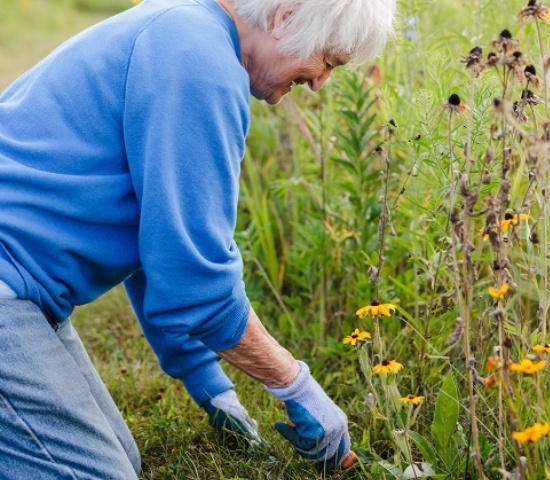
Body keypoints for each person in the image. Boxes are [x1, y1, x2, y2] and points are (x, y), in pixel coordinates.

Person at [0, 0, 396, 477]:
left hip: (25, 292)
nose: (318, 82)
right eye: (327, 61)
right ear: (285, 17)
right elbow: (196, 283)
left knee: (121, 459)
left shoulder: (188, 29)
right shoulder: (198, 64)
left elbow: (164, 248)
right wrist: (297, 387)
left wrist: (210, 384)